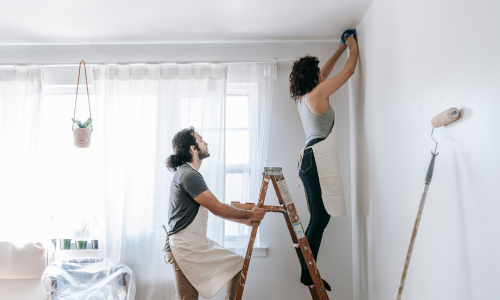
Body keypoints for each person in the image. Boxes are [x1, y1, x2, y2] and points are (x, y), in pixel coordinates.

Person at [163, 127, 266, 300]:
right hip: (182, 247)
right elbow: (217, 207)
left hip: (194, 244)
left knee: (237, 263)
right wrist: (249, 215)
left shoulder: (189, 174)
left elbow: (214, 208)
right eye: (201, 140)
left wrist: (245, 220)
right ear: (193, 149)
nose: (206, 143)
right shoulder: (189, 175)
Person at [289, 35, 358, 290]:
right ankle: (307, 271)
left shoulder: (305, 96)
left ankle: (307, 268)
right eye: (318, 72)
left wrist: (339, 48)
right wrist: (352, 48)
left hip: (308, 159)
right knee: (320, 218)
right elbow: (349, 71)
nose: (322, 73)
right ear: (313, 77)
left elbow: (326, 71)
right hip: (314, 159)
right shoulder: (318, 92)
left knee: (318, 217)